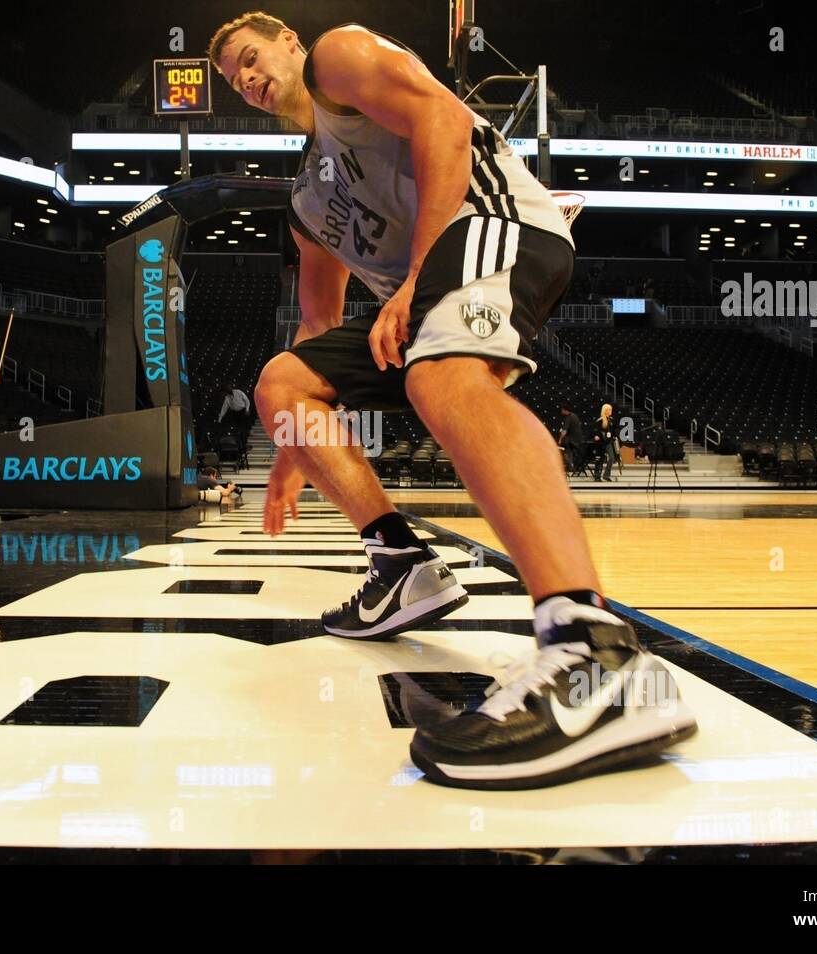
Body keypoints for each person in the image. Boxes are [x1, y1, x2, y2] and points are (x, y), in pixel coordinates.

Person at [211, 13, 696, 789]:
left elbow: (440, 115)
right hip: (427, 288)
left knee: (442, 375)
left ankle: (593, 652)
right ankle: (401, 564)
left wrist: (415, 280)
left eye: (250, 57)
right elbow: (316, 327)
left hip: (494, 224)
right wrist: (289, 445)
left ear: (290, 46)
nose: (246, 78)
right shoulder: (305, 199)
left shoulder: (341, 59)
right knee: (281, 379)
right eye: (234, 80)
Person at [592, 403, 619, 482]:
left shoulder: (611, 420)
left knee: (612, 458)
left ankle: (606, 475)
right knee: (600, 459)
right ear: (605, 411)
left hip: (608, 443)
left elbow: (613, 431)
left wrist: (615, 436)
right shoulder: (600, 420)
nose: (611, 411)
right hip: (601, 443)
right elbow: (595, 431)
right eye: (609, 410)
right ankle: (597, 476)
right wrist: (596, 436)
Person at [557, 404, 585, 477]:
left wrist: (560, 440)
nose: (561, 411)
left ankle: (570, 466)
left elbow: (564, 431)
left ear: (566, 410)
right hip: (577, 439)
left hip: (573, 440)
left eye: (562, 410)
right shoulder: (574, 416)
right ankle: (571, 465)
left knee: (566, 449)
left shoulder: (569, 418)